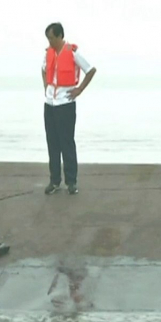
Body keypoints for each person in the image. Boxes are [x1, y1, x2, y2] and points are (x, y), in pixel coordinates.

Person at [41, 22, 97, 195]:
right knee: (52, 143)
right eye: (47, 38)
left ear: (59, 36)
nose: (49, 41)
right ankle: (54, 180)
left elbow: (91, 70)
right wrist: (46, 86)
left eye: (51, 37)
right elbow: (43, 70)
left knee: (67, 142)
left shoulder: (72, 52)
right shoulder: (48, 53)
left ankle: (71, 181)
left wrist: (79, 89)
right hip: (50, 103)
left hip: (65, 104)